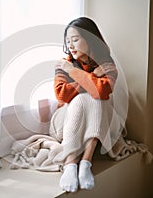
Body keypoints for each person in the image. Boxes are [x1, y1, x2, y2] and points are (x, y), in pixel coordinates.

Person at [49, 17, 119, 192]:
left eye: (75, 40)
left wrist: (76, 77)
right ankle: (71, 163)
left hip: (94, 123)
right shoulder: (64, 64)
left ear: (90, 39)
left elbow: (102, 92)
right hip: (62, 123)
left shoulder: (107, 65)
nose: (70, 46)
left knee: (95, 97)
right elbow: (62, 95)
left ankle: (85, 163)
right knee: (84, 97)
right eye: (67, 41)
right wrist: (90, 77)